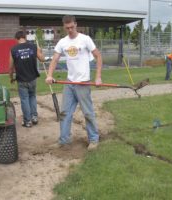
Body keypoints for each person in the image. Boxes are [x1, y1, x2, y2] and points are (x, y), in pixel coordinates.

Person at [45, 15, 102, 151]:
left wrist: (98, 77)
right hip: (69, 83)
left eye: (72, 27)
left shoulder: (85, 39)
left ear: (76, 24)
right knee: (65, 113)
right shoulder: (62, 42)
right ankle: (64, 140)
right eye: (67, 27)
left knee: (88, 113)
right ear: (64, 27)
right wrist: (49, 75)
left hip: (83, 83)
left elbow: (98, 56)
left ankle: (94, 139)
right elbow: (55, 59)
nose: (70, 29)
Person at [9, 30, 45, 128]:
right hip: (33, 78)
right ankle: (34, 117)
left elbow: (10, 67)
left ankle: (27, 121)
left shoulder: (13, 49)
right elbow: (42, 59)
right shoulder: (33, 47)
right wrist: (40, 51)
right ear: (25, 37)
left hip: (21, 79)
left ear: (16, 39)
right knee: (32, 97)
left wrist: (11, 77)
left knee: (24, 99)